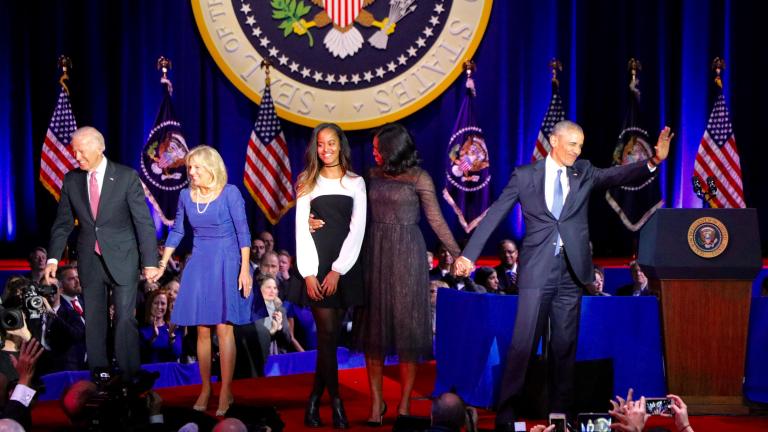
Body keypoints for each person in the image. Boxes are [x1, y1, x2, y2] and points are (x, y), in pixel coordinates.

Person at [453, 120, 673, 429]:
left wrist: (653, 162)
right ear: (554, 141)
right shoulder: (525, 176)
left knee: (564, 347)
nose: (577, 150)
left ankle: (560, 415)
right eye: (572, 144)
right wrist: (468, 255)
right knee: (522, 346)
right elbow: (495, 215)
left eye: (580, 145)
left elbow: (615, 174)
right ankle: (506, 414)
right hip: (536, 273)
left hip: (571, 273)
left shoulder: (582, 171)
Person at [352, 123, 461, 425]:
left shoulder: (419, 178)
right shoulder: (371, 175)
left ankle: (403, 407)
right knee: (373, 332)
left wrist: (457, 254)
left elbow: (436, 221)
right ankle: (376, 406)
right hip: (374, 253)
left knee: (407, 332)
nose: (373, 152)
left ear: (393, 150)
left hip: (408, 257)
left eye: (378, 148)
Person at [43, 126, 159, 381]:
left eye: (81, 151)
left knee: (124, 319)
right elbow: (63, 223)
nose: (76, 156)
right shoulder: (71, 180)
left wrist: (150, 262)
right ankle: (100, 373)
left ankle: (129, 373)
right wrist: (52, 258)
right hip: (89, 259)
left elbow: (144, 222)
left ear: (99, 147)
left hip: (123, 258)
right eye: (74, 151)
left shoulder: (126, 177)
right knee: (94, 319)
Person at [153, 145, 253, 417]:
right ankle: (206, 387)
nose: (191, 172)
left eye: (196, 168)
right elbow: (177, 231)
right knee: (202, 330)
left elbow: (244, 232)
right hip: (199, 262)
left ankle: (225, 390)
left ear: (211, 168)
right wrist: (162, 264)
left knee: (224, 329)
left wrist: (245, 269)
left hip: (228, 262)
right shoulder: (186, 195)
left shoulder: (230, 193)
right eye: (189, 168)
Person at [294, 123, 366, 429]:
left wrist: (338, 269)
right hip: (315, 263)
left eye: (331, 143)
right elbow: (301, 229)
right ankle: (336, 404)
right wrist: (309, 273)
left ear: (341, 146)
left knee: (330, 338)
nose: (326, 150)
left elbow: (358, 229)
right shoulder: (307, 182)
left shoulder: (356, 182)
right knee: (325, 334)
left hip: (345, 267)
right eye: (321, 144)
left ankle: (313, 400)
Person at [139, 290, 183, 364]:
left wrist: (171, 337)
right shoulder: (142, 329)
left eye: (163, 304)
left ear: (167, 306)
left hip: (169, 372)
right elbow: (141, 355)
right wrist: (153, 337)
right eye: (156, 303)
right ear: (150, 305)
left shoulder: (173, 328)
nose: (159, 307)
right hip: (150, 373)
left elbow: (177, 354)